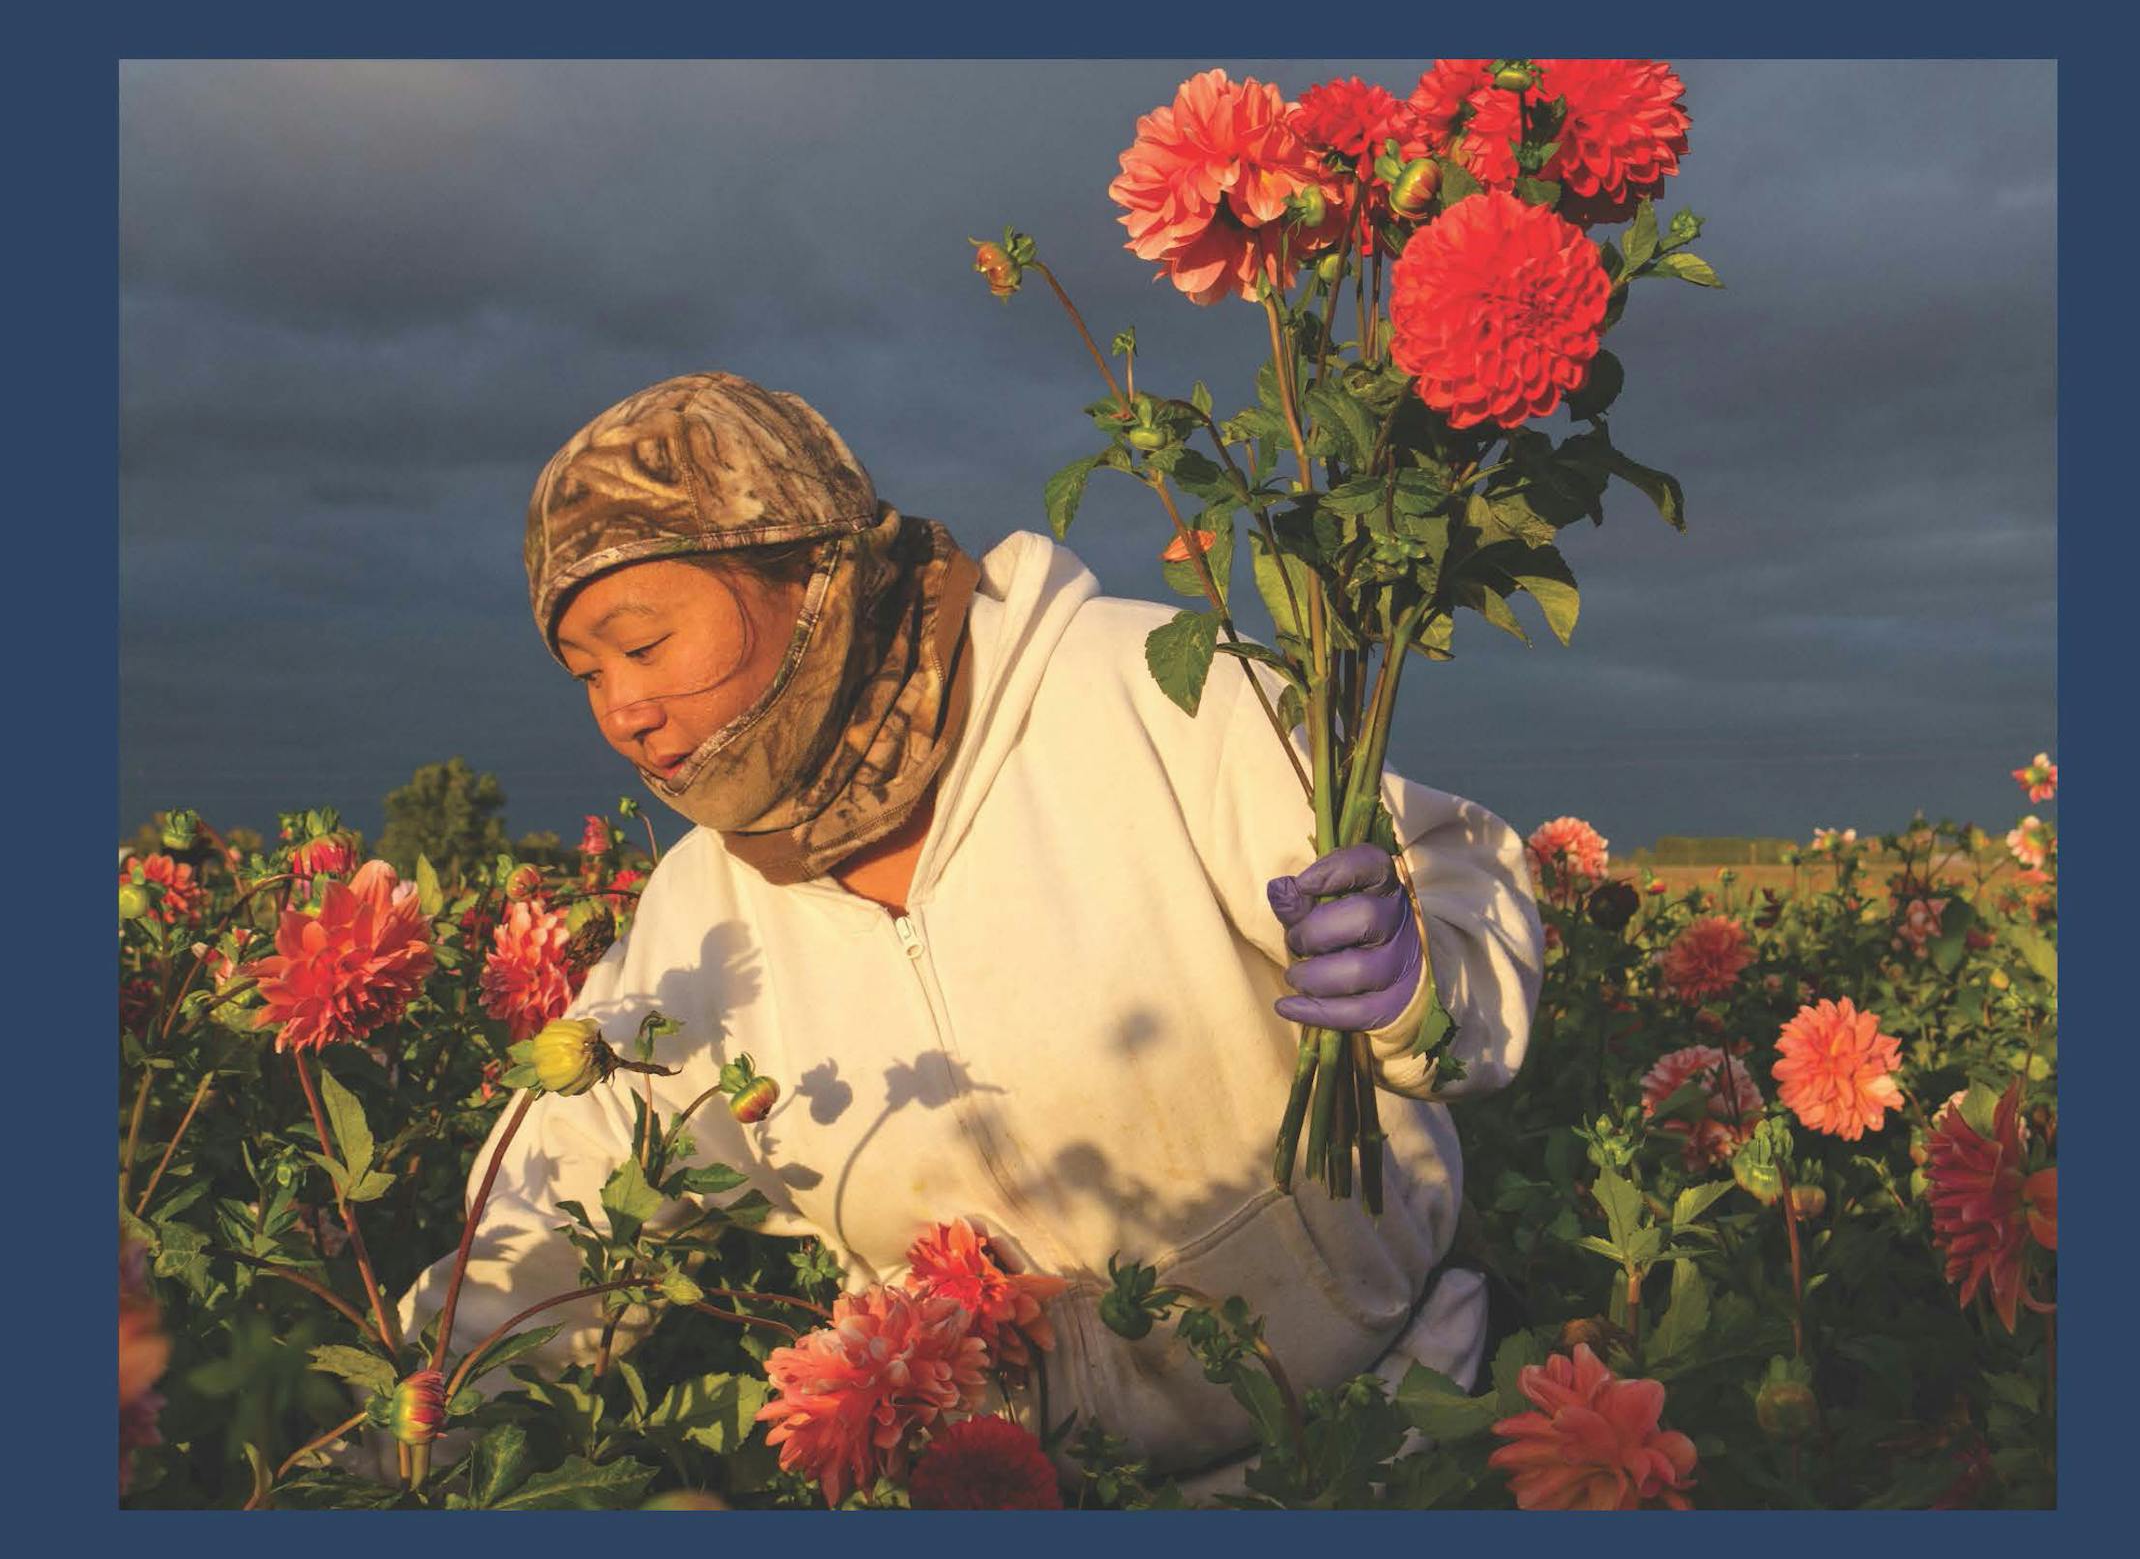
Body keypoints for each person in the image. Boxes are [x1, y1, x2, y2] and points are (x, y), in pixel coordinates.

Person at [394, 370, 1544, 1493]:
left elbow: (1456, 886)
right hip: (1045, 1497)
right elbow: (550, 1222)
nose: (623, 712)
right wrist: (394, 1446)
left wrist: (1418, 984)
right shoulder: (701, 920)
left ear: (812, 570)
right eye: (584, 673)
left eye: (643, 646)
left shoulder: (1143, 688)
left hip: (1388, 1431)